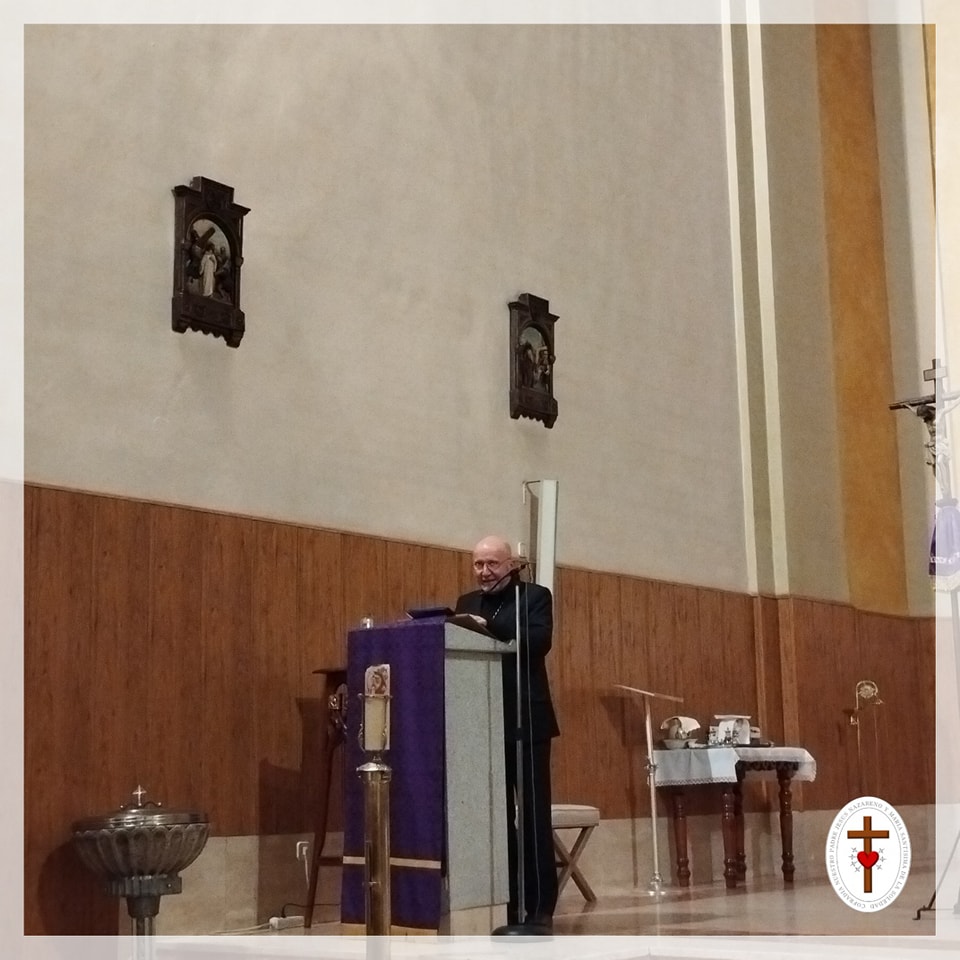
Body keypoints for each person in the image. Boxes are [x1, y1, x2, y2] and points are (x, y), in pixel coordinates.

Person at [455, 535, 559, 931]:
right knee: (497, 820)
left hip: (527, 720)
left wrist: (490, 627)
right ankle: (507, 904)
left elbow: (538, 640)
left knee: (532, 816)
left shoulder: (534, 596)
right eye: (478, 564)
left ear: (511, 565)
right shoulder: (467, 603)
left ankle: (540, 908)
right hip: (482, 724)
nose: (484, 572)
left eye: (492, 564)